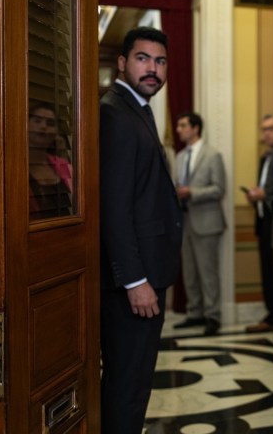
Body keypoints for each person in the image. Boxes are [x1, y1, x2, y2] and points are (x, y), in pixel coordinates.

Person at [99, 26, 183, 434]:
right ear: (122, 63)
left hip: (148, 271)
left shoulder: (138, 109)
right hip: (134, 281)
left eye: (160, 61)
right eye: (143, 58)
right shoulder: (113, 112)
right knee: (127, 384)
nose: (153, 69)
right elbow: (113, 208)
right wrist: (134, 280)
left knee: (134, 381)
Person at [173, 111, 226, 336]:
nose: (179, 129)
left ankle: (213, 316)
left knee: (207, 273)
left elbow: (218, 189)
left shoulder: (212, 155)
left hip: (206, 223)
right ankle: (194, 313)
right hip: (184, 222)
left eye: (183, 125)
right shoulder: (179, 157)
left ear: (195, 128)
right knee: (190, 272)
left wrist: (191, 192)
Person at [244, 113, 273, 333]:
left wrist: (264, 195)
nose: (265, 134)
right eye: (263, 129)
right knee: (268, 272)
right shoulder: (267, 156)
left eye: (270, 129)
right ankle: (272, 315)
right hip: (264, 220)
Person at [28, 101, 72, 219]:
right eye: (37, 121)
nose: (43, 126)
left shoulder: (64, 165)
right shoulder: (15, 167)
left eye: (50, 123)